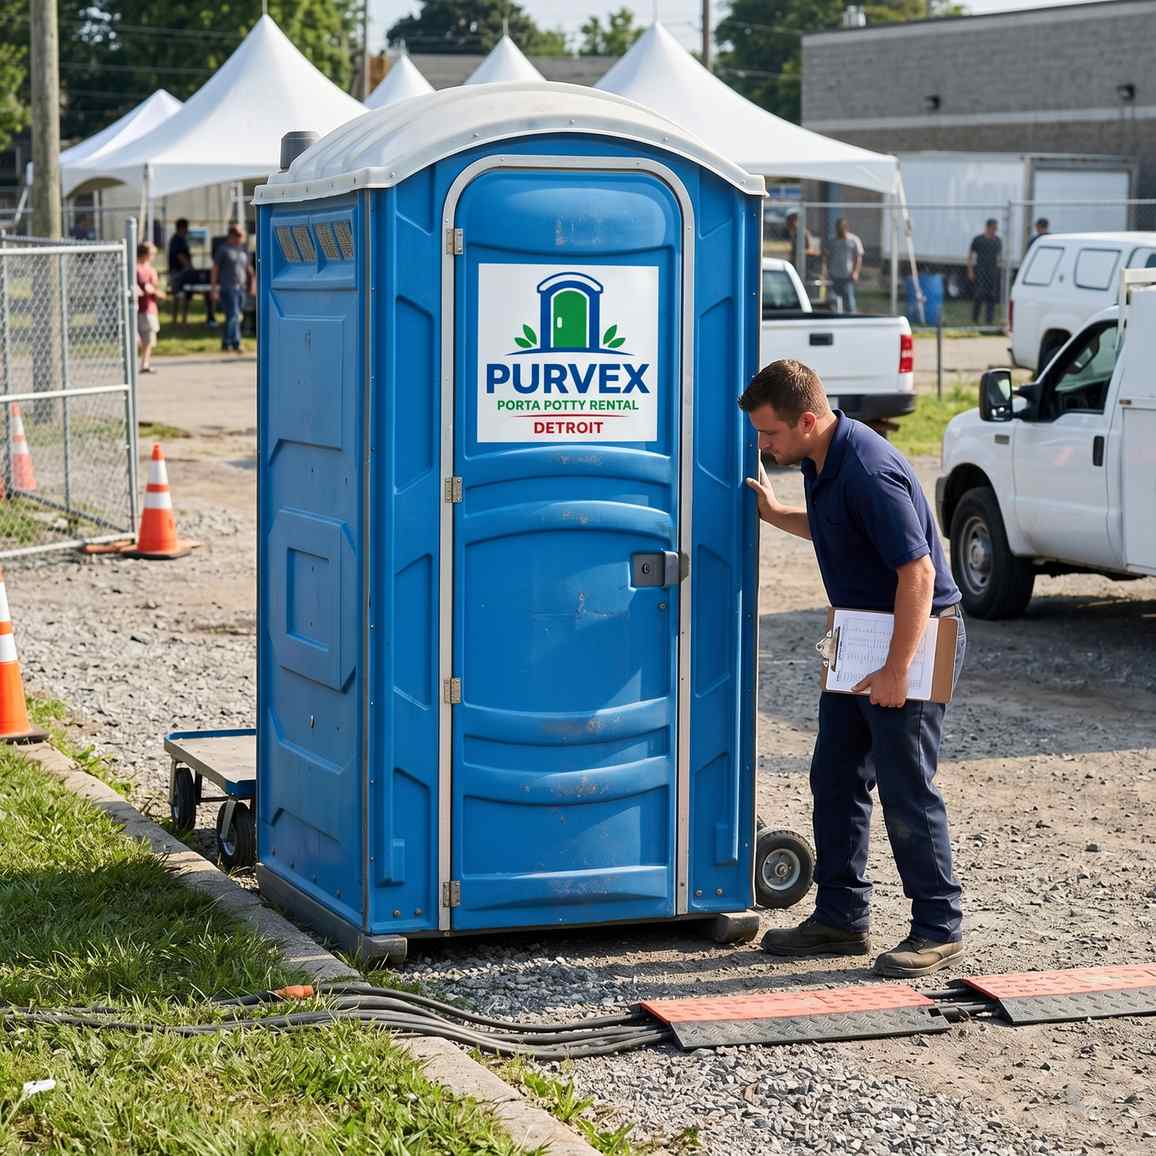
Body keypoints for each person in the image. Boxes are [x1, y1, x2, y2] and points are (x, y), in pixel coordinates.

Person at [741, 359, 966, 978]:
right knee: (835, 778)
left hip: (911, 634)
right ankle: (841, 920)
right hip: (858, 635)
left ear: (807, 419)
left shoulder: (868, 467)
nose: (764, 446)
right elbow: (837, 530)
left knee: (905, 785)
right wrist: (776, 512)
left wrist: (897, 669)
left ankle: (938, 926)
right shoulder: (820, 458)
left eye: (770, 435)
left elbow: (916, 573)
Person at [211, 224, 252, 354]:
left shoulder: (242, 250)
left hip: (242, 288)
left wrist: (252, 284)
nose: (242, 238)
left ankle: (227, 342)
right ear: (232, 236)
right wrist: (214, 288)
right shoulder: (223, 250)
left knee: (235, 316)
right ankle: (236, 342)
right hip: (228, 287)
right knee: (234, 315)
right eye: (240, 236)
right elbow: (215, 269)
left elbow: (247, 268)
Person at [135, 241, 165, 374]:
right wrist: (157, 292)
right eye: (152, 254)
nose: (153, 256)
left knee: (148, 338)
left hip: (150, 308)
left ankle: (144, 363)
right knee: (146, 338)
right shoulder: (140, 269)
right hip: (144, 309)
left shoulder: (149, 269)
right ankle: (143, 364)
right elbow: (147, 288)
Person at [823, 218, 864, 312]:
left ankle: (851, 320)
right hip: (834, 275)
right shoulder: (832, 240)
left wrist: (856, 272)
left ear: (846, 228)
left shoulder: (854, 240)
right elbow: (825, 256)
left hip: (847, 276)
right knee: (832, 302)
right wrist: (825, 271)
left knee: (849, 303)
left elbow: (858, 257)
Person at [967, 218, 1002, 325]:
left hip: (993, 272)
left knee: (991, 297)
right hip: (980, 271)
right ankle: (975, 319)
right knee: (979, 295)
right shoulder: (978, 240)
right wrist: (970, 271)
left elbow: (998, 258)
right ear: (988, 227)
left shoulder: (997, 241)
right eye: (993, 228)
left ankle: (989, 321)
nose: (995, 231)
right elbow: (970, 255)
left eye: (996, 229)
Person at [167, 218, 193, 325]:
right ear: (182, 227)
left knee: (178, 296)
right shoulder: (178, 239)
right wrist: (189, 267)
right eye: (186, 228)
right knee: (181, 296)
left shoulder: (177, 238)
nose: (187, 230)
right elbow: (180, 255)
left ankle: (178, 320)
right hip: (179, 271)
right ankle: (180, 320)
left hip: (177, 271)